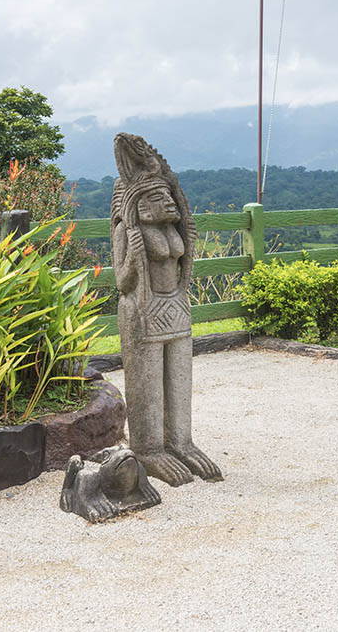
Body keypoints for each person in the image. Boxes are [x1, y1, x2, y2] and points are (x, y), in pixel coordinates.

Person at [112, 133, 223, 487]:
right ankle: (149, 448)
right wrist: (132, 246)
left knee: (179, 380)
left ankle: (181, 443)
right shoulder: (129, 231)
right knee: (148, 385)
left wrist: (184, 221)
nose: (170, 203)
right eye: (160, 199)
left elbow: (184, 262)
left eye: (170, 197)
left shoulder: (172, 228)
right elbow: (122, 280)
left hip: (175, 304)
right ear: (140, 206)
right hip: (142, 310)